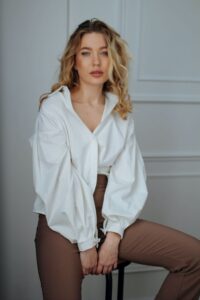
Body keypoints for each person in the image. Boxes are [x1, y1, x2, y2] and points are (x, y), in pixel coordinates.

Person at [29, 18, 200, 300]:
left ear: (113, 58)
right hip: (62, 220)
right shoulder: (54, 109)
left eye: (104, 51)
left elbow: (127, 177)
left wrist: (113, 237)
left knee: (194, 259)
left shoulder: (119, 110)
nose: (96, 60)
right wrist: (86, 244)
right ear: (74, 61)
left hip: (110, 213)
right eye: (86, 52)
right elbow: (58, 184)